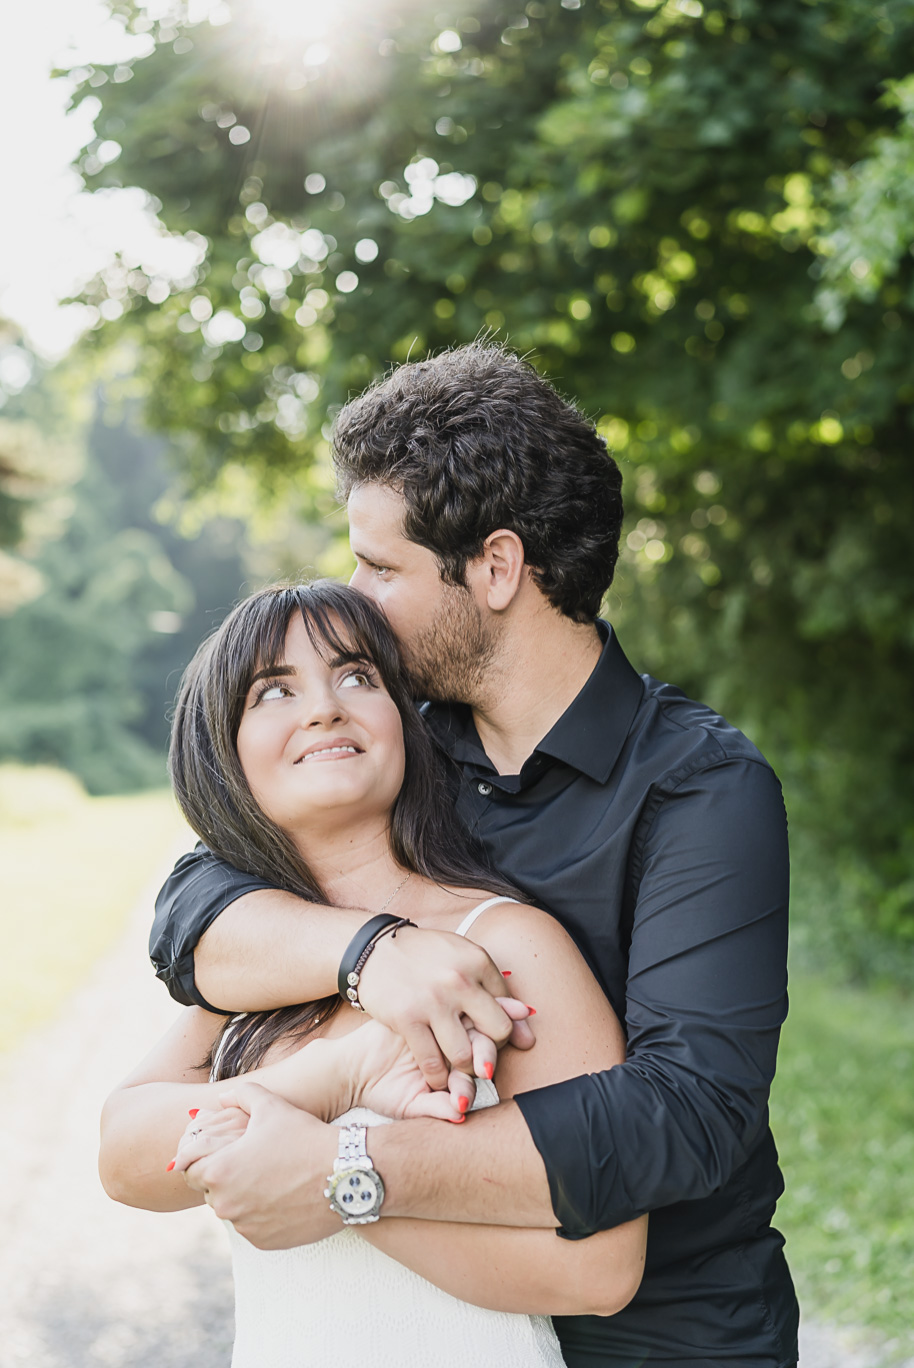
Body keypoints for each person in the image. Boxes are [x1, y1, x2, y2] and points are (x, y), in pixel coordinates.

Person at [150, 343, 800, 1367]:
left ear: (494, 568)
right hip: (439, 1326)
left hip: (659, 1339)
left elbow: (686, 1113)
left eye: (380, 567)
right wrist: (369, 951)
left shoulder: (700, 790)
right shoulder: (403, 737)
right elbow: (199, 899)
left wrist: (345, 1165)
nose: (350, 595)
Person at [100, 579, 647, 1367]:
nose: (323, 706)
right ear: (224, 753)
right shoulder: (259, 966)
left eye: (357, 676)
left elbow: (601, 1268)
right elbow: (123, 1156)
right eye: (274, 690)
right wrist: (337, 1078)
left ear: (406, 723)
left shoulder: (504, 945)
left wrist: (334, 1191)